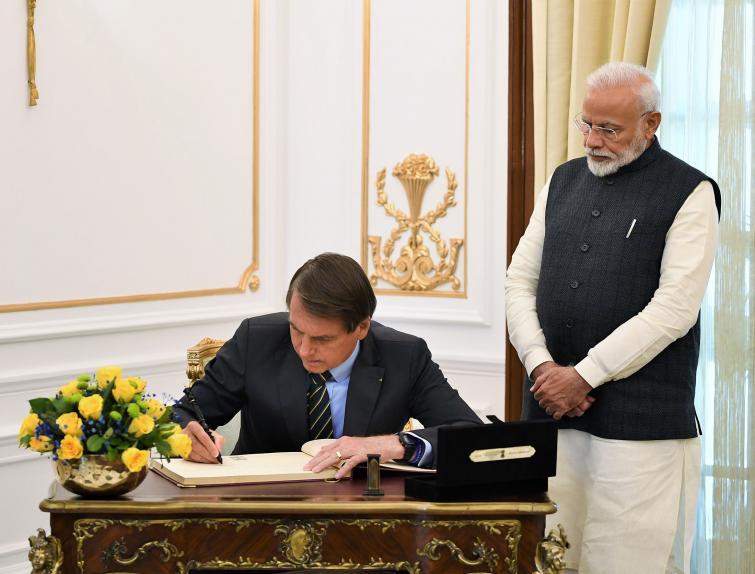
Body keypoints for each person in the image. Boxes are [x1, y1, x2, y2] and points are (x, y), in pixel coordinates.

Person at [505, 62, 720, 574]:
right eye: (586, 124)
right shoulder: (562, 180)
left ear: (651, 123)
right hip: (550, 412)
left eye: (609, 129)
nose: (592, 141)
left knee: (625, 561)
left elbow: (674, 310)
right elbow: (518, 283)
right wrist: (541, 367)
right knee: (549, 557)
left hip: (640, 429)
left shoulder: (690, 191)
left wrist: (583, 375)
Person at [176, 252, 482, 479]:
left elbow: (471, 437)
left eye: (323, 339)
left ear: (361, 328)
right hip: (262, 508)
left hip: (364, 517)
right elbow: (182, 413)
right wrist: (186, 435)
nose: (304, 349)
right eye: (297, 330)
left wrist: (393, 445)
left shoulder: (404, 356)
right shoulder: (256, 341)